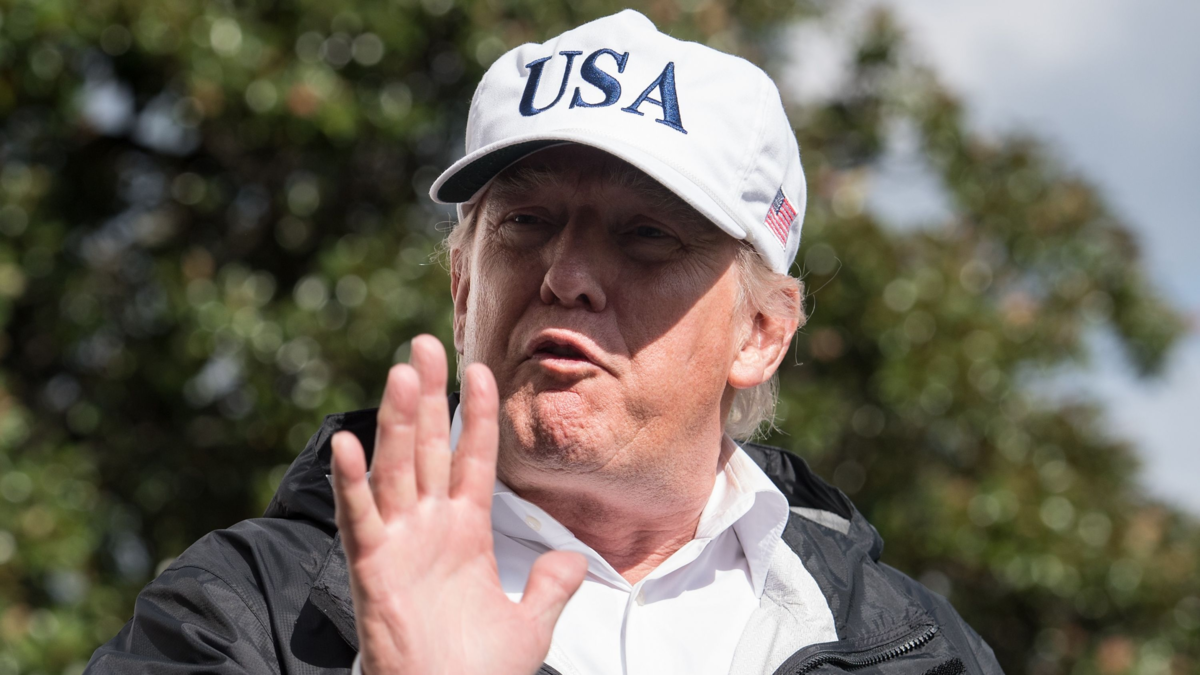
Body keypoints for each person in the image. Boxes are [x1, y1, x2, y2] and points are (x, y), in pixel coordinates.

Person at [87, 10, 1002, 675]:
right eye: (526, 221)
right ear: (463, 288)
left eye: (647, 235)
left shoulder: (918, 646)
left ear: (761, 333)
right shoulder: (247, 608)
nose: (567, 274)